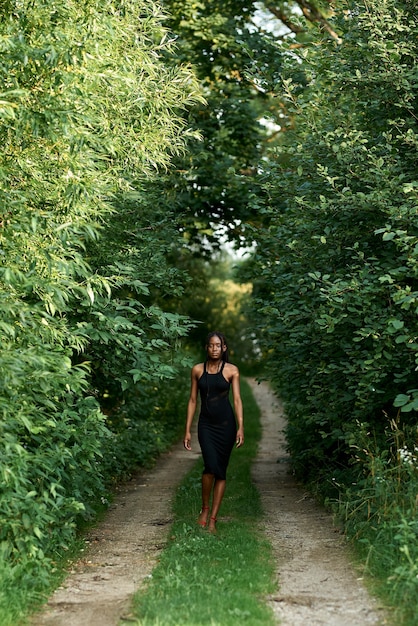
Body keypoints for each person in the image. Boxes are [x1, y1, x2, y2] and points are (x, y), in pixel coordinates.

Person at [183, 331, 244, 533]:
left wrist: (241, 426)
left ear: (224, 348)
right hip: (206, 425)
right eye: (211, 345)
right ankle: (205, 508)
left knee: (221, 471)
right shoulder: (197, 370)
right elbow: (193, 400)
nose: (214, 349)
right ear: (206, 348)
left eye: (218, 345)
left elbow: (236, 400)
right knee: (210, 466)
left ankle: (213, 520)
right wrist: (187, 430)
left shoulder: (232, 370)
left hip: (226, 425)